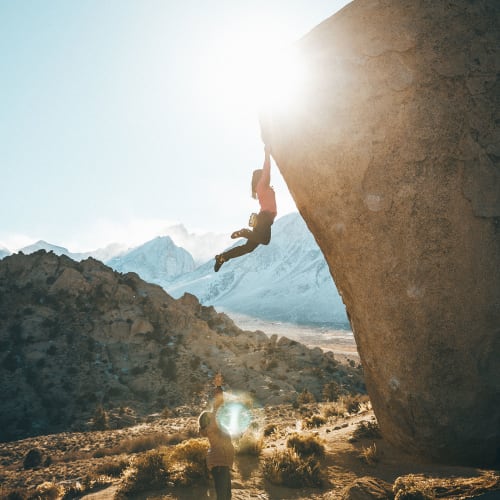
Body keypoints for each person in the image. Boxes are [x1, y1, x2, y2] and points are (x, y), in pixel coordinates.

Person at [214, 144, 277, 272]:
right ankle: (244, 232)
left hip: (262, 219)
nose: (266, 177)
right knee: (265, 241)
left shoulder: (261, 188)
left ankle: (222, 257)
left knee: (248, 248)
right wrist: (267, 153)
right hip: (264, 218)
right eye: (263, 175)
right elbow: (267, 169)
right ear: (261, 178)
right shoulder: (262, 186)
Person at [198, 373, 234, 500]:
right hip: (219, 464)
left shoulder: (214, 429)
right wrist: (218, 387)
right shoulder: (213, 427)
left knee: (225, 496)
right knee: (223, 496)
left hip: (220, 463)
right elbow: (218, 406)